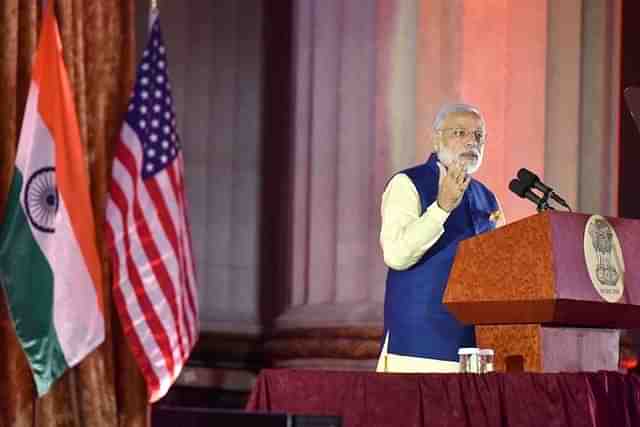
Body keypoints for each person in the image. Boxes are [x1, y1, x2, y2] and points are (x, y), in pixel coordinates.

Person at [376, 103, 505, 373]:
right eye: (460, 132)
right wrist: (441, 208)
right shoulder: (408, 183)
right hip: (419, 346)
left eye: (479, 135)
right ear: (437, 138)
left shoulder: (487, 197)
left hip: (474, 347)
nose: (472, 141)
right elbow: (396, 255)